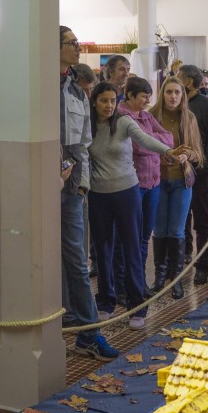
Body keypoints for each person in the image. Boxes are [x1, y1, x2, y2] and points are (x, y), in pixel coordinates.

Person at [89, 82, 186, 329]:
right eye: (103, 101)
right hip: (98, 196)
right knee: (103, 250)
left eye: (112, 100)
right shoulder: (87, 126)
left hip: (127, 192)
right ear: (94, 102)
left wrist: (168, 151)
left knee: (132, 248)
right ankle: (106, 302)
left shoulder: (123, 122)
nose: (109, 105)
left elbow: (145, 139)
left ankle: (137, 307)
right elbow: (78, 152)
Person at [59, 26, 121, 361]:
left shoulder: (77, 92)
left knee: (77, 263)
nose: (77, 48)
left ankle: (88, 333)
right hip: (37, 189)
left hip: (70, 191)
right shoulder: (34, 88)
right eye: (71, 43)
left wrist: (81, 184)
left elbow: (82, 144)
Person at [116, 76, 173, 294]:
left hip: (153, 184)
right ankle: (123, 285)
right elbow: (138, 147)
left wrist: (153, 142)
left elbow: (168, 137)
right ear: (129, 96)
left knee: (143, 237)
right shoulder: (122, 117)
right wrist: (155, 144)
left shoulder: (147, 117)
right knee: (127, 238)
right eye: (143, 97)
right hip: (133, 185)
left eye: (149, 96)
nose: (147, 101)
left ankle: (138, 283)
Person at [149, 76, 204, 299]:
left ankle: (176, 279)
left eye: (177, 93)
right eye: (169, 92)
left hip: (182, 181)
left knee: (177, 230)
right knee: (160, 229)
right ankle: (160, 276)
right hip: (157, 180)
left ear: (183, 96)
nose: (173, 97)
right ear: (162, 94)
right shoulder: (152, 116)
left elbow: (198, 154)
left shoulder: (188, 118)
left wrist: (187, 154)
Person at [176, 64, 208, 285]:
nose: (175, 84)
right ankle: (178, 260)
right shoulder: (175, 105)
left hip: (200, 174)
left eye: (179, 79)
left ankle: (202, 264)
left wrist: (205, 168)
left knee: (202, 220)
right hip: (176, 172)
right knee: (179, 220)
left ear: (189, 82)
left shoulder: (207, 106)